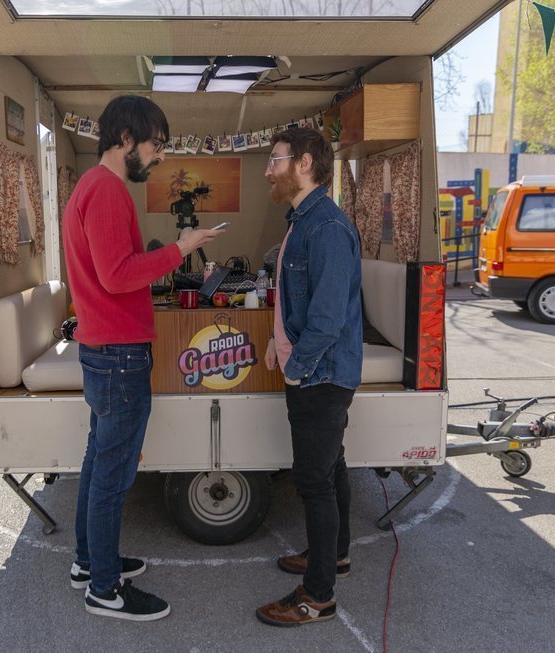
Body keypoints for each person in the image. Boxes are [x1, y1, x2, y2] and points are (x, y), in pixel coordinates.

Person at [62, 95, 222, 621]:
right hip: (119, 356)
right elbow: (118, 275)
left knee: (97, 463)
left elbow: (111, 272)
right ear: (126, 138)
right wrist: (181, 248)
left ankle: (90, 562)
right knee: (113, 475)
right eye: (154, 146)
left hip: (102, 349)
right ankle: (104, 590)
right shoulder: (106, 191)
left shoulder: (88, 186)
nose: (156, 159)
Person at [256, 127, 363, 627]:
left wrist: (297, 368)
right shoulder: (303, 221)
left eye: (274, 160)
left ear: (302, 163)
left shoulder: (327, 228)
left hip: (321, 376)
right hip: (312, 371)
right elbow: (297, 299)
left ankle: (318, 596)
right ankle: (334, 556)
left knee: (313, 482)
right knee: (332, 467)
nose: (268, 169)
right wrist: (279, 344)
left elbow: (326, 320)